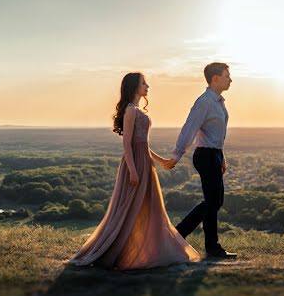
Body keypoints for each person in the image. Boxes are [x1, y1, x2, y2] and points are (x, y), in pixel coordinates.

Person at [64, 72, 200, 269]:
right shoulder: (130, 110)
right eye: (144, 83)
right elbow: (127, 144)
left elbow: (143, 144)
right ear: (134, 86)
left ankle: (145, 250)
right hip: (134, 164)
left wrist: (161, 160)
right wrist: (133, 170)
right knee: (128, 208)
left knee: (149, 207)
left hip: (145, 163)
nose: (147, 86)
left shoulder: (137, 109)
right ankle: (113, 251)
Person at [164, 62, 237, 259]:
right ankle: (210, 247)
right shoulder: (204, 102)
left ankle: (178, 234)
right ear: (215, 78)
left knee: (215, 201)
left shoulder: (218, 102)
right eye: (227, 76)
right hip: (205, 156)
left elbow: (217, 135)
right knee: (213, 202)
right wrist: (176, 156)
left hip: (213, 155)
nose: (231, 79)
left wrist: (221, 156)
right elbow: (190, 128)